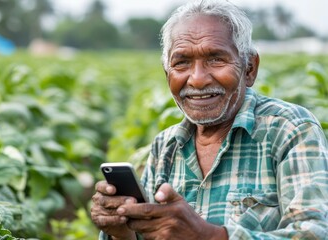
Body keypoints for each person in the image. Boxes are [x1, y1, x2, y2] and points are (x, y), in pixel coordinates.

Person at [90, 0, 328, 239]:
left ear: (249, 69)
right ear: (167, 74)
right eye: (181, 62)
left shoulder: (290, 130)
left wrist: (207, 235)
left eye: (216, 59)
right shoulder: (166, 147)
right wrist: (122, 232)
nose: (197, 79)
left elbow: (315, 233)